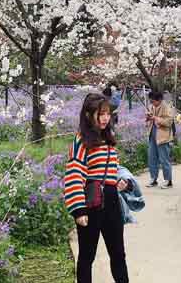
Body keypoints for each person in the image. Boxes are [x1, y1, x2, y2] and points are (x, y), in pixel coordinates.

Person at [64, 93, 132, 283]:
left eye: (107, 114)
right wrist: (79, 209)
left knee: (118, 254)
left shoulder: (108, 138)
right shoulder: (81, 140)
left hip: (111, 201)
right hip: (91, 202)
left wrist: (123, 182)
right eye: (100, 114)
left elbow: (112, 170)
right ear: (88, 114)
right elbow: (74, 173)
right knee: (87, 257)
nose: (105, 118)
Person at [145, 90, 174, 189]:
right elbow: (148, 120)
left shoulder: (167, 107)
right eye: (151, 101)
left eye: (153, 101)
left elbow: (169, 122)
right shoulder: (151, 106)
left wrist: (156, 118)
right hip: (152, 135)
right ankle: (153, 179)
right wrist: (148, 118)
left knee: (164, 159)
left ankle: (168, 180)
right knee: (152, 158)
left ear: (160, 100)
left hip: (163, 137)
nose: (152, 103)